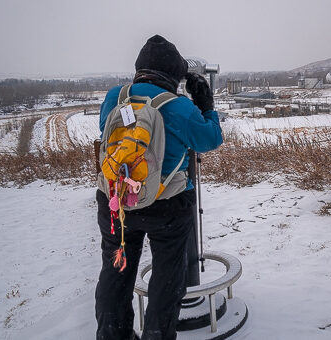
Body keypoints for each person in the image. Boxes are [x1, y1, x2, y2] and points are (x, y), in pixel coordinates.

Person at [95, 34, 222, 340]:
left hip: (117, 199)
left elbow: (105, 129)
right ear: (174, 74)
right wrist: (205, 104)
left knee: (116, 272)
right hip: (167, 204)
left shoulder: (116, 96)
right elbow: (211, 139)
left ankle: (113, 334)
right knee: (167, 278)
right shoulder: (179, 107)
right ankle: (157, 334)